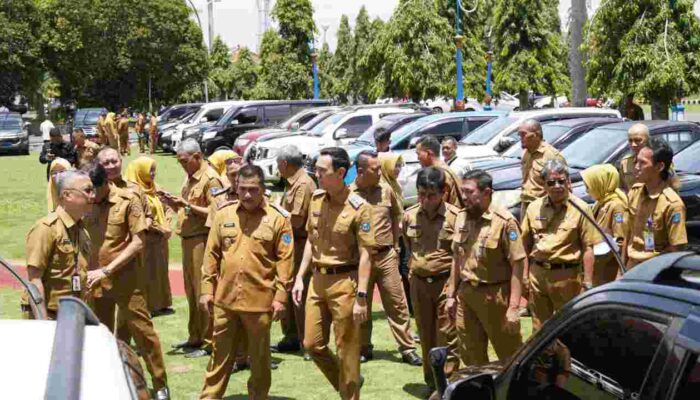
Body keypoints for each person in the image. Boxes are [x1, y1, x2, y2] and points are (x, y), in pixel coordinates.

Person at [199, 165, 294, 400]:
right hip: (226, 301)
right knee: (219, 357)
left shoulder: (278, 218)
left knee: (260, 360)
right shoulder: (224, 214)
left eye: (253, 189)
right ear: (236, 188)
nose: (248, 195)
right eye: (243, 189)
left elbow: (285, 262)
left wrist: (281, 298)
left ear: (263, 189)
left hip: (260, 303)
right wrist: (206, 290)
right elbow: (211, 255)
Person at [82, 162, 170, 400]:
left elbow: (138, 242)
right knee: (100, 335)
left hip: (127, 280)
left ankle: (160, 383)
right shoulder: (86, 203)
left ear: (104, 183)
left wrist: (107, 270)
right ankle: (107, 382)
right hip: (96, 282)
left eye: (92, 190)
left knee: (143, 333)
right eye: (85, 191)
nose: (88, 196)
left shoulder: (127, 201)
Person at [291, 147, 373, 400]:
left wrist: (361, 297)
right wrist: (299, 278)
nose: (316, 174)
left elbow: (366, 255)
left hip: (344, 283)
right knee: (311, 344)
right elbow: (310, 242)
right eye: (315, 169)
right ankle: (349, 381)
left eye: (322, 171)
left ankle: (349, 393)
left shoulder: (360, 208)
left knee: (347, 349)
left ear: (340, 173)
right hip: (317, 280)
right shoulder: (316, 199)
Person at [446, 169, 524, 367]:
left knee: (510, 356)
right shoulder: (462, 217)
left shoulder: (505, 222)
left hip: (496, 297)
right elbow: (457, 257)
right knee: (470, 355)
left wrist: (514, 307)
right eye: (462, 191)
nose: (464, 197)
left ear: (487, 192)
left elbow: (518, 264)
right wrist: (450, 295)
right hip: (467, 295)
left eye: (469, 192)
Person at [350, 150, 420, 365]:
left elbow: (397, 215)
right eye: (375, 169)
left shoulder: (386, 190)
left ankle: (407, 348)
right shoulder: (348, 195)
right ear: (360, 171)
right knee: (363, 305)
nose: (380, 172)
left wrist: (397, 245)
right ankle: (363, 347)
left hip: (387, 255)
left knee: (397, 302)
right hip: (361, 259)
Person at [521, 159, 601, 330]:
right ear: (544, 185)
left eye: (561, 181)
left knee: (571, 327)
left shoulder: (581, 208)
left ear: (569, 182)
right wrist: (525, 277)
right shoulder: (533, 208)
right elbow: (524, 245)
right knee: (539, 329)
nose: (557, 186)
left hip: (568, 277)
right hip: (538, 275)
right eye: (551, 182)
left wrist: (587, 283)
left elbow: (588, 248)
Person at [163, 138, 224, 358]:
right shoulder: (191, 177)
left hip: (202, 239)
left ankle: (210, 341)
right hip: (188, 238)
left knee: (203, 292)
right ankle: (195, 335)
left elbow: (216, 213)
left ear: (197, 157)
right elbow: (189, 208)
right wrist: (174, 203)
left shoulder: (211, 179)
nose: (182, 165)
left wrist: (187, 206)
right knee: (190, 291)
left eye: (184, 161)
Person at [402, 167, 461, 390]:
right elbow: (409, 249)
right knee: (425, 335)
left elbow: (459, 255)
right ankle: (431, 383)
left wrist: (454, 290)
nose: (426, 200)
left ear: (444, 192)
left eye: (431, 195)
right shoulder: (410, 216)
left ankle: (449, 384)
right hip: (419, 284)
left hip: (445, 283)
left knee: (446, 335)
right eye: (421, 194)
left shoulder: (455, 217)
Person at [22, 170, 94, 320]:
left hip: (73, 315)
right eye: (87, 190)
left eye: (93, 190)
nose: (93, 195)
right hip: (48, 315)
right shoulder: (46, 229)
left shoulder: (82, 231)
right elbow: (34, 279)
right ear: (67, 195)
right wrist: (42, 322)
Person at [272, 145, 317, 356]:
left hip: (300, 244)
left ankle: (307, 341)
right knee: (287, 289)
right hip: (289, 244)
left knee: (301, 293)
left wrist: (276, 210)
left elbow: (297, 220)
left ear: (284, 164)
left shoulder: (303, 184)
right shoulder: (293, 184)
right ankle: (291, 336)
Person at [625, 137, 687, 269]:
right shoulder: (635, 193)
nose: (636, 167)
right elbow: (629, 234)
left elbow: (676, 248)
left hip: (655, 270)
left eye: (642, 163)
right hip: (631, 267)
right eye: (636, 161)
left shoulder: (672, 204)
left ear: (659, 167)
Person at [126, 157, 174, 314]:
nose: (153, 174)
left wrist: (167, 224)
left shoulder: (154, 187)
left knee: (161, 271)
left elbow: (166, 206)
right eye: (149, 170)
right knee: (148, 273)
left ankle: (162, 303)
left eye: (154, 170)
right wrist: (161, 229)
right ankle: (149, 306)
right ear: (140, 171)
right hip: (148, 239)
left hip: (160, 239)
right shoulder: (134, 192)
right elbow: (143, 218)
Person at [581, 164, 629, 285]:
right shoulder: (600, 203)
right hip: (598, 267)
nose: (587, 190)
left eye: (589, 186)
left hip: (608, 269)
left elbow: (621, 241)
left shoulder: (617, 206)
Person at [379, 153, 413, 315]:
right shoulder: (382, 189)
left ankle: (411, 308)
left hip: (401, 237)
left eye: (400, 165)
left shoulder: (394, 185)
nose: (398, 169)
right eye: (395, 166)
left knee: (406, 271)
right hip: (390, 241)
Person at [519, 119, 567, 218]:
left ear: (536, 135)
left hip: (544, 207)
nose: (521, 138)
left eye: (524, 134)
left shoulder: (552, 156)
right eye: (519, 135)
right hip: (526, 204)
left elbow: (565, 186)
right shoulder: (526, 153)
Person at [415, 135, 464, 208]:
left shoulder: (441, 175)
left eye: (418, 154)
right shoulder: (441, 170)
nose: (418, 158)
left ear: (428, 153)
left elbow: (436, 208)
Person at [618, 123, 650, 192]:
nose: (633, 144)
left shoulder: (658, 160)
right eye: (630, 141)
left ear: (647, 140)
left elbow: (673, 185)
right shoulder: (625, 163)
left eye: (638, 140)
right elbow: (621, 188)